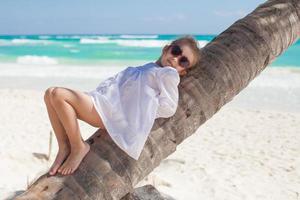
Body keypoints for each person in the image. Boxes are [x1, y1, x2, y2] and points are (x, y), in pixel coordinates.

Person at [44, 35, 201, 176]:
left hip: (111, 113)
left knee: (59, 94)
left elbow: (169, 108)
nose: (176, 59)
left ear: (182, 72)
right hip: (103, 102)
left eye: (183, 61)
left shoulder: (168, 74)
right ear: (167, 48)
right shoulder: (151, 68)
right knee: (49, 93)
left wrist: (143, 109)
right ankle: (64, 147)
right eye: (176, 51)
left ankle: (78, 147)